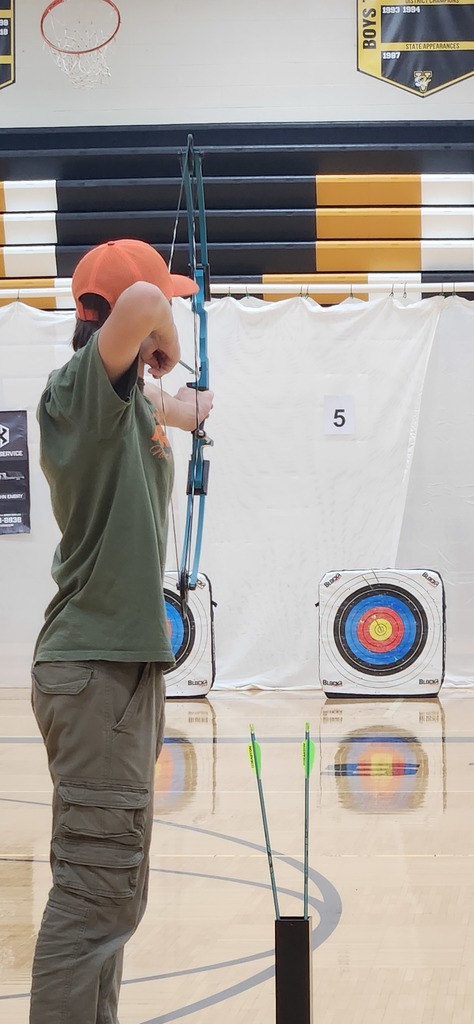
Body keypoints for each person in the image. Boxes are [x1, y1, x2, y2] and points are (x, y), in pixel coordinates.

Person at [31, 239, 214, 1024]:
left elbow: (184, 406)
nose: (163, 318)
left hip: (123, 670)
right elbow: (140, 311)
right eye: (156, 303)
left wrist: (182, 402)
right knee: (94, 892)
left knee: (116, 892)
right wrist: (162, 330)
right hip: (95, 668)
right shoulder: (76, 392)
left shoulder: (123, 401)